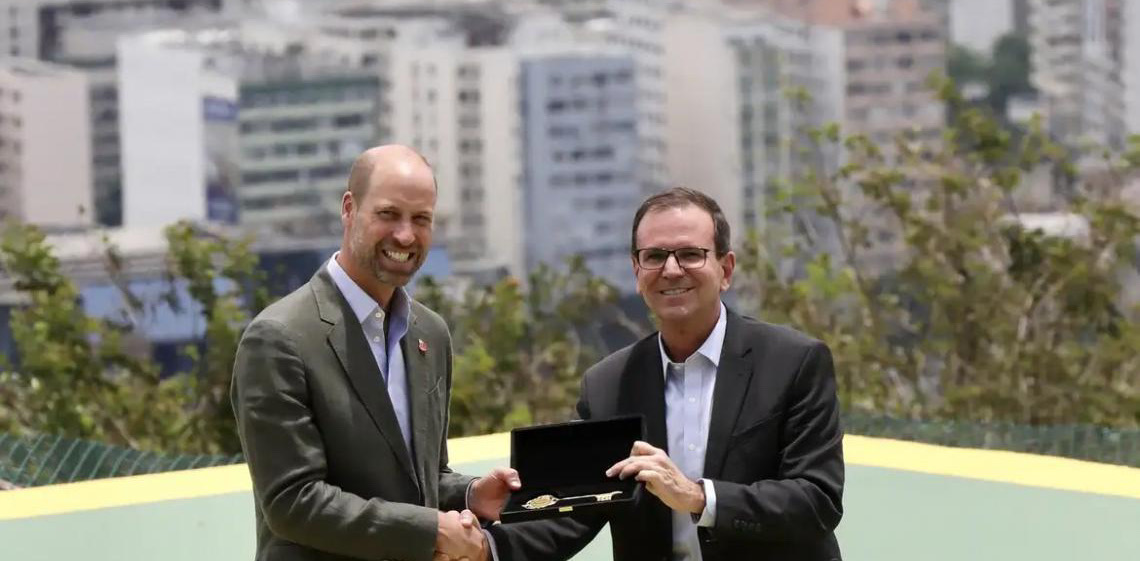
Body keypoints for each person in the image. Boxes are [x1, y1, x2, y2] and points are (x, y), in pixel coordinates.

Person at [486, 187, 844, 560]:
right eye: (655, 256)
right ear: (637, 271)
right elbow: (574, 508)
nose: (671, 270)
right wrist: (484, 546)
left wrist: (697, 497)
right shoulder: (608, 384)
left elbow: (817, 500)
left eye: (690, 254)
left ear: (726, 269)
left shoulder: (794, 362)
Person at [231, 145, 520, 561]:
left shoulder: (430, 334)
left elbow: (421, 481)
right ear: (349, 209)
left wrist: (472, 494)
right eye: (389, 214)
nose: (405, 235)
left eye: (421, 219)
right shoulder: (278, 339)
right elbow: (293, 502)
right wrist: (431, 531)